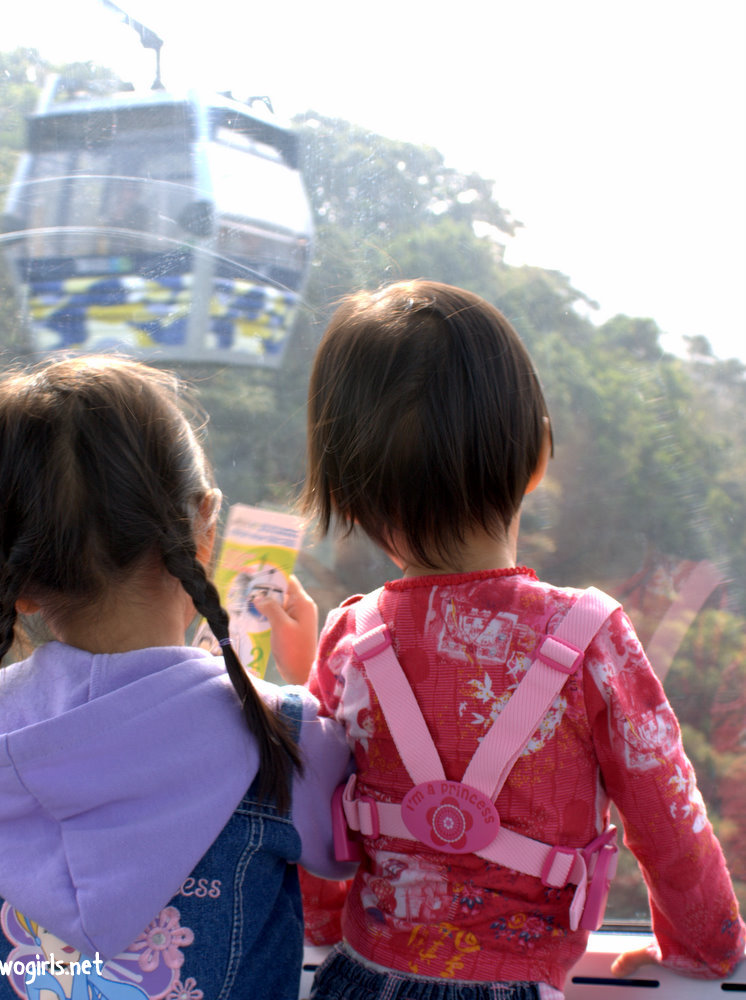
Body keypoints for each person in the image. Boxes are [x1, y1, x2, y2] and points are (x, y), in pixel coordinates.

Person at [290, 280, 746, 998]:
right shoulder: (591, 640)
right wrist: (704, 951)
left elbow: (315, 818)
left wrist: (319, 933)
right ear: (537, 456)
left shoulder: (349, 638)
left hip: (355, 978)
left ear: (348, 494)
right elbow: (669, 815)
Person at [0, 356, 353, 1000]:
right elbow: (353, 856)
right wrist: (309, 675)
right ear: (203, 531)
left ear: (5, 579)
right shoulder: (282, 735)